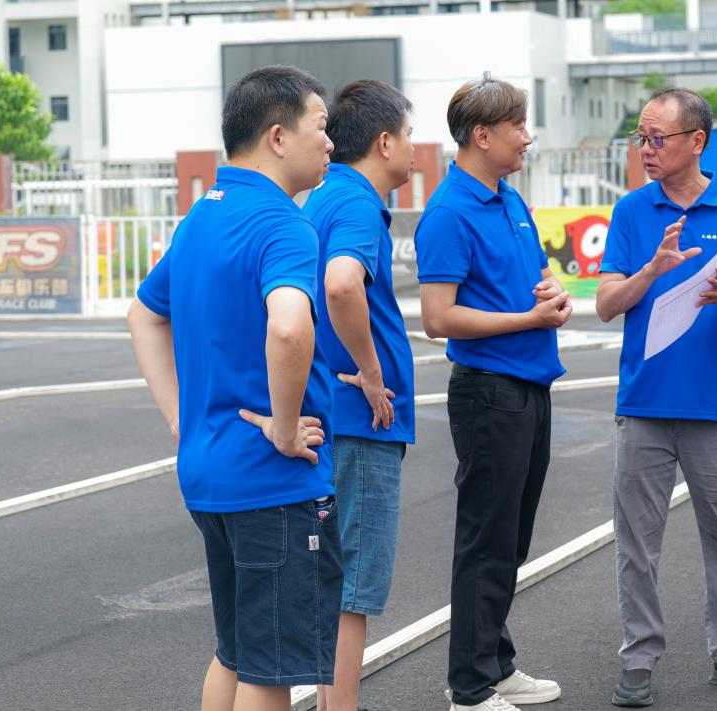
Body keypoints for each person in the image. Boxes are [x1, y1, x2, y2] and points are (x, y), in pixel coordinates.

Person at [128, 66, 340, 711]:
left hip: (209, 472)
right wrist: (284, 427)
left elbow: (144, 314)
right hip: (271, 482)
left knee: (237, 653)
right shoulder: (284, 225)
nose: (330, 142)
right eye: (320, 126)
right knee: (269, 672)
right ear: (278, 136)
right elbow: (289, 326)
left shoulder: (201, 216)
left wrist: (180, 415)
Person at [595, 88, 717, 707]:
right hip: (643, 404)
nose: (646, 149)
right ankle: (638, 658)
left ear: (696, 141)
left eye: (658, 138)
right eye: (641, 138)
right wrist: (652, 269)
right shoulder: (630, 211)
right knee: (636, 543)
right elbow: (606, 304)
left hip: (712, 406)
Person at [414, 75, 570, 711]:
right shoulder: (449, 213)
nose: (527, 137)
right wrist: (530, 319)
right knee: (486, 539)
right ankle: (470, 688)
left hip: (528, 385)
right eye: (518, 127)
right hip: (489, 392)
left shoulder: (509, 198)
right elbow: (438, 318)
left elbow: (537, 274)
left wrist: (553, 293)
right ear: (482, 135)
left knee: (511, 537)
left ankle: (495, 664)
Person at [304, 79, 416, 711]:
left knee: (332, 580)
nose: (414, 148)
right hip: (359, 416)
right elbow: (342, 283)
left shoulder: (324, 196)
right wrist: (373, 374)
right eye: (408, 135)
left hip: (328, 411)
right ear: (383, 142)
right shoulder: (355, 203)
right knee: (354, 586)